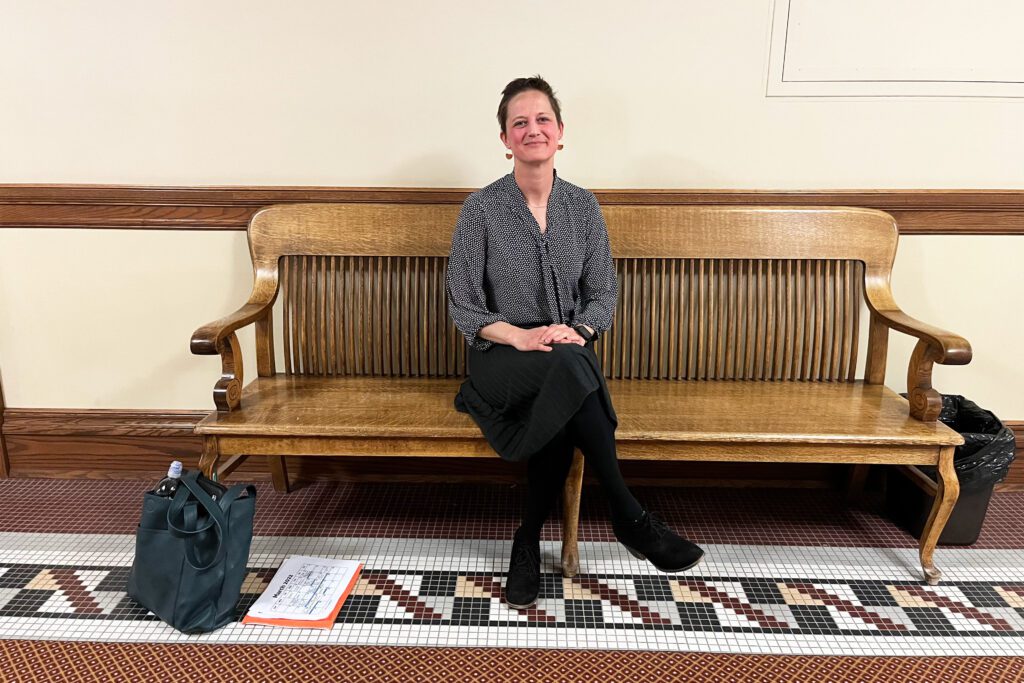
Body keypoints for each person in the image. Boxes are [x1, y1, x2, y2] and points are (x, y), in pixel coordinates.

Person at [446, 76, 704, 611]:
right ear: (505, 139)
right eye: (520, 122)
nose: (532, 129)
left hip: (568, 351)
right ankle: (628, 514)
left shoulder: (583, 207)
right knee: (572, 373)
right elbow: (464, 306)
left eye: (542, 120)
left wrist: (579, 330)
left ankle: (526, 540)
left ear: (560, 133)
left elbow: (603, 293)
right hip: (500, 357)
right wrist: (520, 335)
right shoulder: (481, 209)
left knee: (567, 378)